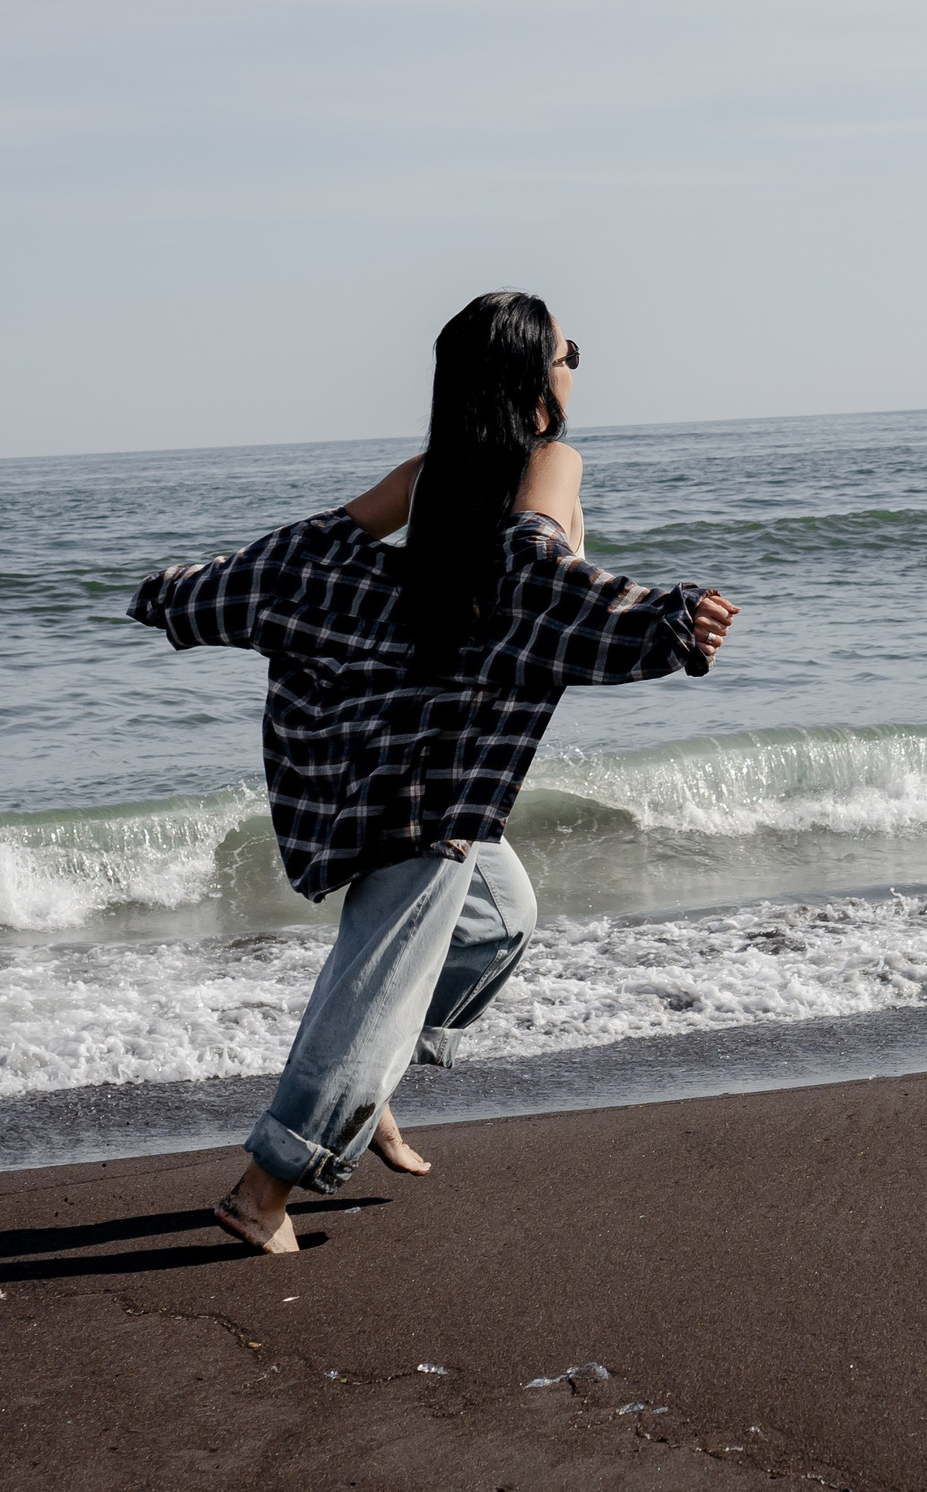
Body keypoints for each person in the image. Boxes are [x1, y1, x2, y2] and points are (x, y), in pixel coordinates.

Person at [127, 291, 738, 1253]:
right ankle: (264, 1189)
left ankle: (360, 1102)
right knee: (373, 986)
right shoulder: (551, 461)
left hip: (403, 759)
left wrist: (193, 593)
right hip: (439, 781)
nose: (578, 364)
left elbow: (312, 551)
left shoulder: (437, 472)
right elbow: (533, 573)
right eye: (570, 349)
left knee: (501, 920)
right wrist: (667, 617)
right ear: (536, 377)